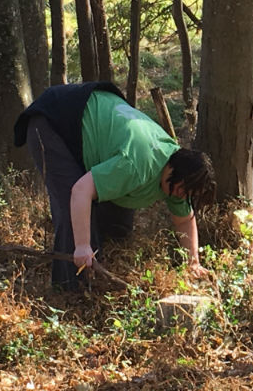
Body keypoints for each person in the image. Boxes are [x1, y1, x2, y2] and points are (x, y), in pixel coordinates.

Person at [14, 82, 216, 291]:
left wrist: (193, 263)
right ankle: (71, 295)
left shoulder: (176, 176)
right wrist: (83, 246)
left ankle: (103, 276)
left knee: (119, 225)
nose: (181, 195)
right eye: (182, 189)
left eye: (188, 194)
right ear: (174, 169)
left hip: (94, 130)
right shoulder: (136, 165)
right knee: (73, 212)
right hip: (55, 121)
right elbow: (81, 191)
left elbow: (184, 220)